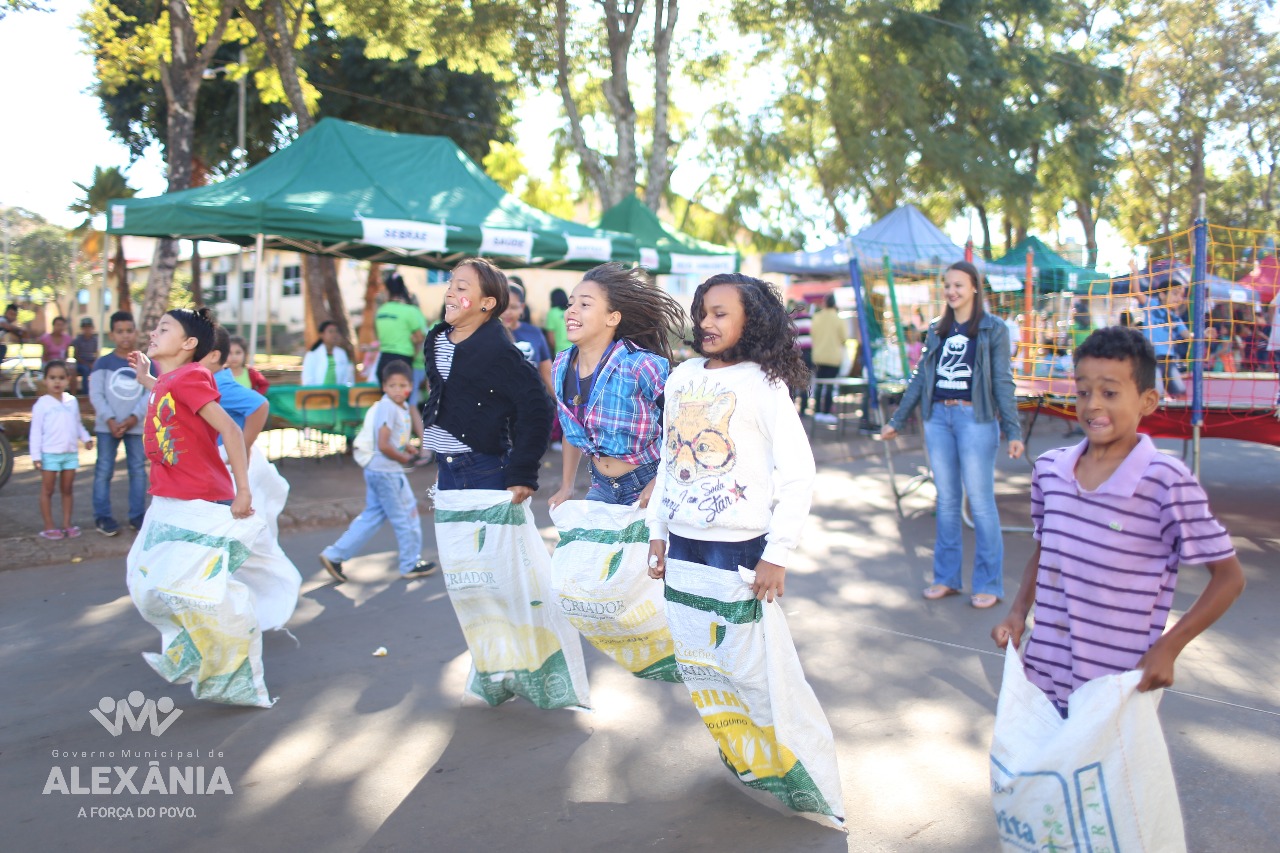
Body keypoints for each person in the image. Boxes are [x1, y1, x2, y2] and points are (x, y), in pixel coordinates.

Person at [992, 327, 1245, 715]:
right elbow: (1046, 551)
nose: (1093, 405)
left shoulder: (1166, 480)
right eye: (1082, 391)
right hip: (1042, 676)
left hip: (1114, 689)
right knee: (1038, 776)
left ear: (1147, 401)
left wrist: (1168, 647)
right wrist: (1017, 611)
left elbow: (1229, 578)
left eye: (1109, 392)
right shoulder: (1049, 470)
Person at [645, 273, 816, 604]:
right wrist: (657, 530)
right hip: (680, 540)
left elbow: (799, 472)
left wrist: (777, 553)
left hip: (738, 547)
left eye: (720, 314)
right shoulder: (681, 376)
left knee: (737, 650)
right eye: (703, 313)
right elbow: (668, 460)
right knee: (692, 647)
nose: (707, 322)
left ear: (751, 321)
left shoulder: (763, 384)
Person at [881, 261, 1024, 609]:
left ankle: (989, 583)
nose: (952, 291)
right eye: (947, 285)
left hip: (975, 418)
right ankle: (946, 579)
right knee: (946, 501)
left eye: (959, 285)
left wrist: (1013, 429)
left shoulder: (993, 329)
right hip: (938, 419)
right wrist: (898, 420)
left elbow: (1002, 381)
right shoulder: (937, 329)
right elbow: (919, 378)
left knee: (980, 502)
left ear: (975, 287)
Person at [545, 263, 685, 510]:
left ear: (613, 317)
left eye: (585, 304)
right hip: (601, 486)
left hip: (648, 483)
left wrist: (661, 479)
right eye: (570, 304)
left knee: (650, 551)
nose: (571, 311)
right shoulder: (561, 365)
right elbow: (571, 429)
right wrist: (566, 486)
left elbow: (682, 425)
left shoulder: (642, 365)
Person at [421, 257, 552, 497]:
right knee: (454, 536)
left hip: (482, 469)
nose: (450, 293)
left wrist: (522, 473)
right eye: (450, 285)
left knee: (482, 537)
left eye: (461, 288)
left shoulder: (499, 351)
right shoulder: (436, 341)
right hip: (446, 468)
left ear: (487, 303)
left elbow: (537, 408)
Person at [127, 308, 253, 518]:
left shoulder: (189, 377)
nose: (153, 333)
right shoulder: (173, 380)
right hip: (175, 497)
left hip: (201, 499)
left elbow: (231, 429)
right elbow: (169, 391)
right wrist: (144, 378)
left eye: (164, 329)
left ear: (188, 343)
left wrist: (243, 492)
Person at [319, 360, 435, 583]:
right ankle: (410, 563)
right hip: (387, 472)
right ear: (384, 386)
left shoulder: (395, 407)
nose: (398, 390)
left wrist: (406, 447)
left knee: (372, 516)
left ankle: (334, 554)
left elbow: (392, 439)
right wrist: (402, 457)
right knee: (406, 515)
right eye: (392, 386)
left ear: (411, 386)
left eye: (403, 385)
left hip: (380, 470)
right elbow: (383, 444)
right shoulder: (388, 407)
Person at [89, 310, 149, 536]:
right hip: (107, 428)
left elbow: (150, 393)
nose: (125, 336)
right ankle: (102, 517)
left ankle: (137, 516)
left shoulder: (144, 362)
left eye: (129, 331)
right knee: (104, 470)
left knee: (138, 470)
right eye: (120, 331)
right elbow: (96, 395)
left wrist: (133, 418)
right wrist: (111, 420)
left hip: (136, 426)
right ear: (111, 335)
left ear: (135, 333)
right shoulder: (102, 363)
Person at [30, 360, 94, 539]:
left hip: (70, 454)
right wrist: (36, 456)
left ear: (68, 380)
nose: (56, 382)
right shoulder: (42, 404)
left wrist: (86, 438)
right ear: (45, 380)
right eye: (52, 378)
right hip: (49, 454)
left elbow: (77, 424)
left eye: (61, 378)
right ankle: (49, 526)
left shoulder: (71, 401)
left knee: (67, 489)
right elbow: (35, 432)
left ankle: (67, 524)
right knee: (47, 490)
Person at [502, 279, 555, 394]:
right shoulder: (488, 335)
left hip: (530, 402)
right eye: (503, 307)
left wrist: (562, 406)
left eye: (513, 307)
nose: (507, 312)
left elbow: (547, 374)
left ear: (522, 307)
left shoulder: (534, 333)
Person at [374, 272, 427, 384]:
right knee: (401, 397)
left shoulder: (380, 311)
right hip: (403, 361)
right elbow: (419, 338)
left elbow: (378, 335)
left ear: (387, 291)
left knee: (387, 398)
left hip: (383, 360)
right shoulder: (410, 311)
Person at [809, 293, 846, 424]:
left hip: (818, 356)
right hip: (833, 357)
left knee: (818, 384)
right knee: (830, 386)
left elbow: (812, 334)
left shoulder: (816, 317)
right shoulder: (838, 319)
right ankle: (826, 412)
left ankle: (817, 411)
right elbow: (844, 339)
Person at [301, 320, 355, 386]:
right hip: (317, 394)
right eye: (330, 332)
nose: (334, 334)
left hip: (339, 393)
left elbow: (347, 377)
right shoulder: (312, 354)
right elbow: (308, 379)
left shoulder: (342, 353)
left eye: (336, 331)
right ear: (321, 335)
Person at [70, 317, 99, 394]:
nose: (87, 329)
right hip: (81, 363)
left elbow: (97, 354)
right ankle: (85, 394)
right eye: (85, 327)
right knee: (85, 370)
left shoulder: (95, 340)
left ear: (92, 328)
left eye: (89, 327)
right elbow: (75, 355)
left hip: (92, 361)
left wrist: (93, 363)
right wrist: (86, 364)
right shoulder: (78, 340)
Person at [546, 287, 570, 354]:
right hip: (575, 348)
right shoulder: (571, 311)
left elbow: (551, 337)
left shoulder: (552, 313)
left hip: (560, 350)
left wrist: (555, 347)